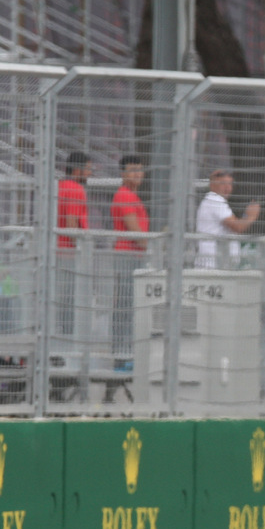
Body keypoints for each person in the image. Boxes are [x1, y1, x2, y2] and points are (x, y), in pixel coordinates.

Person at [110, 155, 147, 369]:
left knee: (129, 305)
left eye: (140, 170)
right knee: (125, 306)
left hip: (132, 257)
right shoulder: (125, 196)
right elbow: (135, 233)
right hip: (127, 257)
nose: (137, 174)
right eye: (132, 170)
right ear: (123, 174)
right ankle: (122, 356)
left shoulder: (132, 195)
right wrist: (147, 244)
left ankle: (125, 353)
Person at [195, 169, 260, 270]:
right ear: (212, 185)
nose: (227, 188)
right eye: (222, 183)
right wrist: (251, 216)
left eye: (230, 184)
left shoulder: (215, 201)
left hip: (219, 264)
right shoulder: (215, 200)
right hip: (213, 266)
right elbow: (237, 227)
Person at [55, 150, 90, 337]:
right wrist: (82, 250)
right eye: (88, 169)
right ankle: (68, 339)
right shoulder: (76, 190)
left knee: (57, 299)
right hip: (68, 253)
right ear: (78, 170)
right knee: (69, 300)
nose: (90, 174)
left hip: (56, 251)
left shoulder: (60, 187)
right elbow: (71, 224)